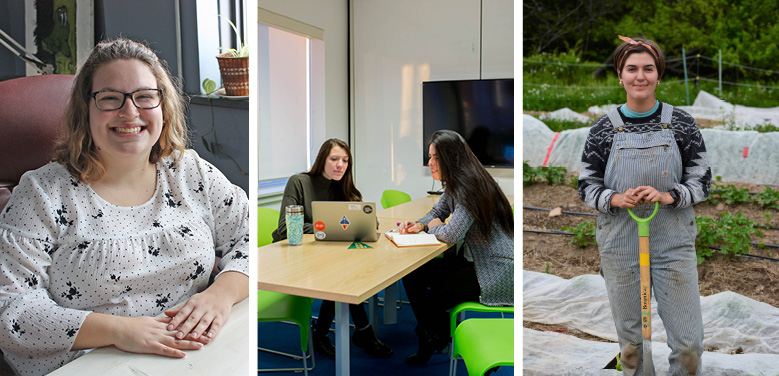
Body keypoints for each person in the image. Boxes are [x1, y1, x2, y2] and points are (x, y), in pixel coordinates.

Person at [0, 38, 249, 375]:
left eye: (145, 97)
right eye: (110, 98)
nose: (129, 112)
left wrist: (221, 293)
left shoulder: (190, 171)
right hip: (91, 361)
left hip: (196, 353)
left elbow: (248, 237)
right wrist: (121, 331)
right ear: (85, 111)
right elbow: (10, 308)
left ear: (163, 106)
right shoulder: (43, 192)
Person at [578, 35, 711, 376]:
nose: (641, 76)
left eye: (648, 69)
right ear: (620, 76)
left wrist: (671, 195)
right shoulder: (603, 129)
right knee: (632, 347)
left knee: (689, 345)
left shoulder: (682, 123)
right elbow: (587, 185)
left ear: (659, 74)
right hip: (621, 241)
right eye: (632, 69)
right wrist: (615, 198)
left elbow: (702, 180)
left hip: (672, 241)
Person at [398, 129, 514, 366]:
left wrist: (432, 228)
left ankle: (432, 335)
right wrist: (419, 224)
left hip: (494, 270)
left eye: (434, 157)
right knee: (412, 274)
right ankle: (435, 334)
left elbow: (451, 233)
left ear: (449, 158)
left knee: (432, 301)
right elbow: (438, 212)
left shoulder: (471, 187)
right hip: (477, 262)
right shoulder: (457, 183)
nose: (429, 162)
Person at [271, 138, 392, 359]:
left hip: (326, 256)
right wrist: (332, 227)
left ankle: (326, 334)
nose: (340, 165)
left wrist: (346, 225)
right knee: (343, 277)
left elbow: (368, 224)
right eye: (334, 159)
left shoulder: (342, 186)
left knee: (345, 274)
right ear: (322, 160)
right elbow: (286, 228)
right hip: (295, 256)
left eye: (345, 160)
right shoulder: (299, 182)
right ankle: (361, 332)